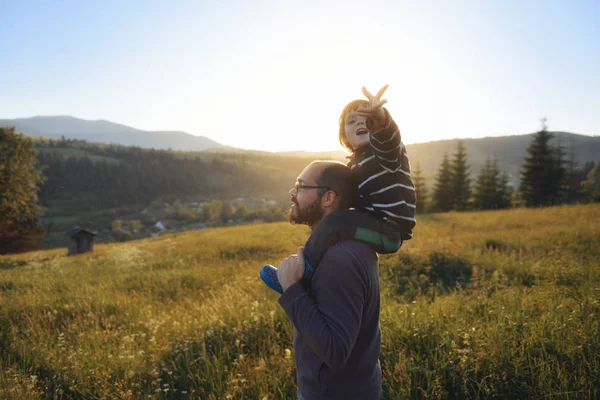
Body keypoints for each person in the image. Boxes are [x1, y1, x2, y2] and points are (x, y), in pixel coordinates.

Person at [261, 85, 416, 294]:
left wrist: (379, 119)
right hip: (371, 224)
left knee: (336, 223)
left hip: (389, 232)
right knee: (332, 220)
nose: (361, 122)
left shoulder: (386, 155)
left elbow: (387, 139)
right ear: (345, 138)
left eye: (366, 119)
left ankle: (303, 273)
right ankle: (312, 267)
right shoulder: (354, 166)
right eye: (352, 121)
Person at [276, 160, 382, 399]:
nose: (292, 192)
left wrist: (292, 289)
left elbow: (335, 350)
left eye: (300, 185)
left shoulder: (340, 259)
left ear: (328, 198)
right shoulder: (344, 247)